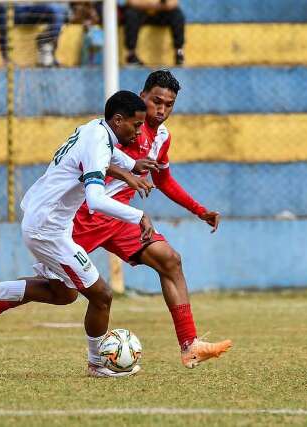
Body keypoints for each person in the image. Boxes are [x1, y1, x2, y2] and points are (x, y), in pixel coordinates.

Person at [0, 91, 157, 378]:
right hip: (48, 227)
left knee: (63, 293)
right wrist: (140, 216)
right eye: (135, 126)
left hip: (46, 221)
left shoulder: (94, 128)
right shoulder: (98, 141)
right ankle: (98, 363)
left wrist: (131, 165)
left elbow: (106, 154)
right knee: (102, 295)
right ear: (118, 119)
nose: (138, 132)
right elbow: (96, 199)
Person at [73, 70, 232, 369]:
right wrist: (127, 173)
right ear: (142, 96)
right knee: (59, 291)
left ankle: (190, 345)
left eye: (169, 104)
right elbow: (94, 162)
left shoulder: (162, 137)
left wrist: (200, 210)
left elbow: (164, 179)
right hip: (90, 214)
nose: (161, 109)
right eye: (156, 101)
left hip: (123, 220)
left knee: (170, 260)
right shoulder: (122, 127)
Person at [121, 0, 186, 66]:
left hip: (160, 14)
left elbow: (173, 3)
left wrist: (151, 5)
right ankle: (131, 54)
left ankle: (179, 52)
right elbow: (131, 2)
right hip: (142, 13)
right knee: (131, 14)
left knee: (177, 15)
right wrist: (154, 4)